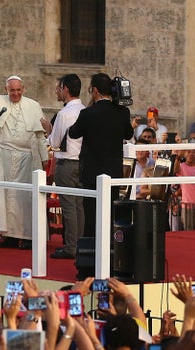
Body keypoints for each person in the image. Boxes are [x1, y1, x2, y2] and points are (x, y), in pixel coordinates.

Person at [0, 75, 48, 249]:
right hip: (4, 156)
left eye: (18, 90)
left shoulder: (34, 105)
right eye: (11, 90)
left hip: (28, 158)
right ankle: (10, 236)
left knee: (26, 198)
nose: (15, 93)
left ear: (23, 89)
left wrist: (45, 158)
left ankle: (30, 236)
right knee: (6, 196)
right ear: (6, 90)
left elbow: (40, 136)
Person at [68, 73, 133, 237]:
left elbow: (73, 133)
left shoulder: (88, 113)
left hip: (92, 173)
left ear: (95, 91)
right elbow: (128, 134)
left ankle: (92, 255)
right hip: (114, 173)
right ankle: (111, 254)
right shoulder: (122, 112)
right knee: (110, 213)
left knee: (91, 215)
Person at [46, 74, 85, 260]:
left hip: (67, 162)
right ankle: (79, 244)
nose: (56, 91)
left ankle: (71, 247)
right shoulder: (85, 110)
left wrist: (48, 129)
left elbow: (54, 142)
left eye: (58, 87)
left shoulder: (63, 114)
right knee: (78, 207)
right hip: (81, 163)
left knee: (68, 207)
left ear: (65, 89)